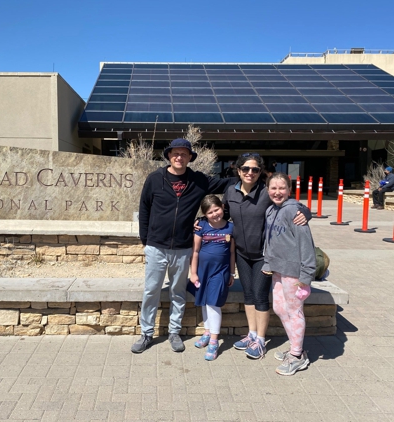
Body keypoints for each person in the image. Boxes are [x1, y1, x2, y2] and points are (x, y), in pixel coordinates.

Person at [132, 138, 236, 354]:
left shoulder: (198, 180)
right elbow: (144, 209)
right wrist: (146, 240)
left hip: (182, 248)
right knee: (151, 291)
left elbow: (227, 183)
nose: (179, 157)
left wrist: (252, 177)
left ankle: (174, 332)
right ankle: (146, 333)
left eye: (184, 154)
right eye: (175, 153)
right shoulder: (155, 179)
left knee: (178, 292)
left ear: (190, 157)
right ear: (169, 156)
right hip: (156, 246)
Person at [222, 152, 311, 359]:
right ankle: (251, 334)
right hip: (243, 254)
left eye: (255, 169)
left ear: (260, 172)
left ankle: (261, 340)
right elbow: (223, 214)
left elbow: (292, 205)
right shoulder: (230, 192)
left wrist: (306, 213)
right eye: (246, 169)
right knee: (248, 294)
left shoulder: (267, 192)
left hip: (264, 255)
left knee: (260, 296)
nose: (250, 173)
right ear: (238, 170)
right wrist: (202, 221)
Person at [262, 172, 316, 376]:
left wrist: (306, 275)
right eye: (273, 188)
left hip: (294, 272)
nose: (277, 192)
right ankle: (296, 347)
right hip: (277, 269)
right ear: (268, 190)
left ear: (289, 190)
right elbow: (269, 239)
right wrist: (267, 262)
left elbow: (307, 244)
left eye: (282, 188)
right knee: (279, 307)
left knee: (294, 311)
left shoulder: (294, 211)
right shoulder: (270, 210)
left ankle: (297, 355)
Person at [189, 195, 235, 361]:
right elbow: (195, 251)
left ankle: (214, 342)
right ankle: (207, 332)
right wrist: (193, 273)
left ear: (222, 207)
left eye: (217, 209)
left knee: (213, 303)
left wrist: (231, 272)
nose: (215, 214)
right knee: (204, 301)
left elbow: (231, 252)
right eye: (210, 212)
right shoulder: (201, 226)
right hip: (203, 271)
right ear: (204, 214)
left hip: (220, 272)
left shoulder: (230, 228)